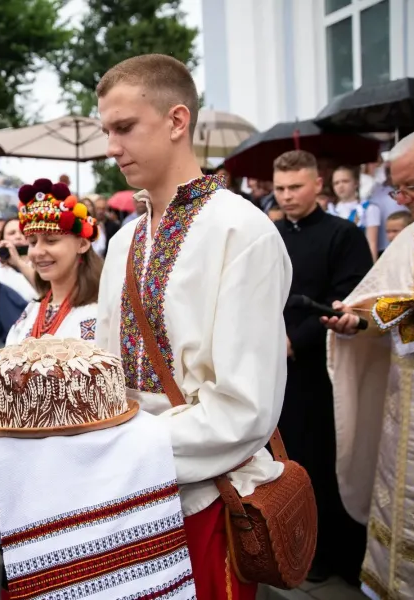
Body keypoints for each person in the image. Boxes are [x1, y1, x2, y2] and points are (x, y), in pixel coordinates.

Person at [95, 54, 291, 600]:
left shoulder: (240, 229)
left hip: (206, 497)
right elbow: (110, 369)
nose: (111, 146)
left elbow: (244, 407)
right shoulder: (121, 242)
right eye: (107, 130)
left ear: (177, 121)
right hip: (128, 493)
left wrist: (126, 449)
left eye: (125, 128)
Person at [323, 126, 414, 600]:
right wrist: (356, 325)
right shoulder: (412, 236)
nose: (400, 198)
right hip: (402, 421)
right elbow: (381, 302)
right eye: (396, 187)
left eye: (412, 186)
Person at [272, 150, 373, 584]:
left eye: (295, 187)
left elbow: (350, 296)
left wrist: (297, 339)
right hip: (270, 363)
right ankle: (281, 544)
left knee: (320, 459)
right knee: (280, 459)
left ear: (318, 185)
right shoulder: (269, 234)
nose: (287, 196)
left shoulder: (343, 234)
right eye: (279, 188)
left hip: (321, 366)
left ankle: (326, 553)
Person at [4, 178, 103, 345]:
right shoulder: (33, 310)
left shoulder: (100, 312)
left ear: (82, 244)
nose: (38, 252)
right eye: (33, 242)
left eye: (51, 241)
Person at [330, 165, 382, 261]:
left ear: (356, 183)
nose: (340, 186)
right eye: (336, 183)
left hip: (359, 262)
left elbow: (372, 243)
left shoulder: (368, 209)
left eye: (345, 181)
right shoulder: (330, 211)